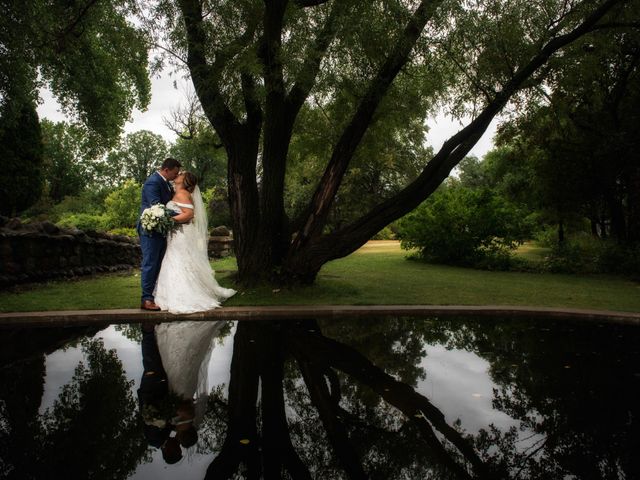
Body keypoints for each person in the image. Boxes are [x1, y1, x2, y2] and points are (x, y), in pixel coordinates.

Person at [153, 171, 236, 314]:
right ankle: (172, 294)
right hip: (177, 234)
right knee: (178, 261)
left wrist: (167, 221)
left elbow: (189, 214)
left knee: (178, 261)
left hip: (181, 234)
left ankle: (184, 296)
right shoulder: (179, 193)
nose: (177, 175)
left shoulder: (182, 194)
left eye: (180, 175)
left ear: (184, 181)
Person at [138, 158, 182, 311]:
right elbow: (157, 206)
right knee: (150, 264)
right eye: (175, 173)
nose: (176, 177)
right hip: (149, 230)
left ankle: (155, 295)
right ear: (166, 170)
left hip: (160, 230)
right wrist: (181, 213)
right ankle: (146, 299)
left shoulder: (165, 183)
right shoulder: (153, 182)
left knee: (158, 264)